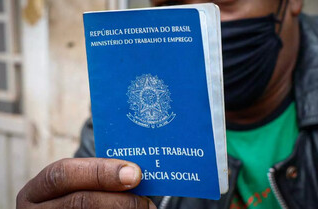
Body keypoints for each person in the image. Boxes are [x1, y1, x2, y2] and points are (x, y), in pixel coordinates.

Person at [17, 0, 318, 208]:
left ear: (292, 2)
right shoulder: (120, 126)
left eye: (224, 3)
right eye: (170, 3)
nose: (196, 20)